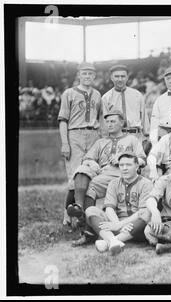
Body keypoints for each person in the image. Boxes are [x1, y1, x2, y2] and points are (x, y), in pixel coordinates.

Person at [67, 110, 146, 246]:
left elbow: (142, 160)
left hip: (124, 174)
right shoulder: (101, 142)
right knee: (90, 184)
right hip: (104, 175)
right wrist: (94, 164)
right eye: (107, 122)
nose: (109, 124)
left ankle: (94, 231)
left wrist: (121, 159)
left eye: (113, 121)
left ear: (122, 123)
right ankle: (87, 228)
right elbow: (87, 159)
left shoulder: (132, 139)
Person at [58, 62, 102, 226]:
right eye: (84, 73)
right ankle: (67, 215)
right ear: (79, 75)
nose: (87, 76)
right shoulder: (68, 93)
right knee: (74, 176)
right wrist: (65, 143)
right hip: (74, 134)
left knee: (91, 175)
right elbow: (63, 120)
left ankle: (84, 215)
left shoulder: (97, 94)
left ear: (94, 76)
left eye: (90, 74)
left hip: (93, 134)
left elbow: (100, 119)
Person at [84, 152, 153, 255]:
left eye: (128, 165)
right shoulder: (114, 183)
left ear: (137, 166)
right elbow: (109, 208)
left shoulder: (146, 184)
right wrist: (117, 225)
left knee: (147, 212)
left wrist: (119, 225)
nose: (124, 168)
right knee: (90, 210)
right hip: (117, 224)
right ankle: (113, 241)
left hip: (136, 227)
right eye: (121, 165)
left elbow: (141, 212)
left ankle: (108, 242)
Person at [101, 64, 148, 139]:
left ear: (127, 77)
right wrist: (106, 139)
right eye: (116, 76)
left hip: (135, 136)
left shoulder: (137, 95)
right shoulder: (106, 98)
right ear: (111, 78)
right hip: (116, 136)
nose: (120, 79)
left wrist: (147, 136)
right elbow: (104, 122)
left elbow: (144, 118)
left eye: (123, 76)